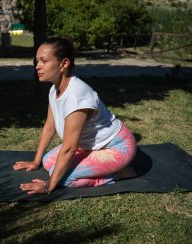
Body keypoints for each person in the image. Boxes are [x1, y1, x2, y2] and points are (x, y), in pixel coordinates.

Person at [13, 37, 137, 195]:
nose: (38, 66)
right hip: (91, 146)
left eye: (43, 61)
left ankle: (118, 174)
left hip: (117, 149)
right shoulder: (54, 89)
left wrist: (48, 186)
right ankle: (100, 168)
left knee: (63, 179)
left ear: (64, 64)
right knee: (47, 162)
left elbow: (70, 148)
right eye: (37, 61)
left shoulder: (77, 96)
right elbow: (49, 127)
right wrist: (36, 161)